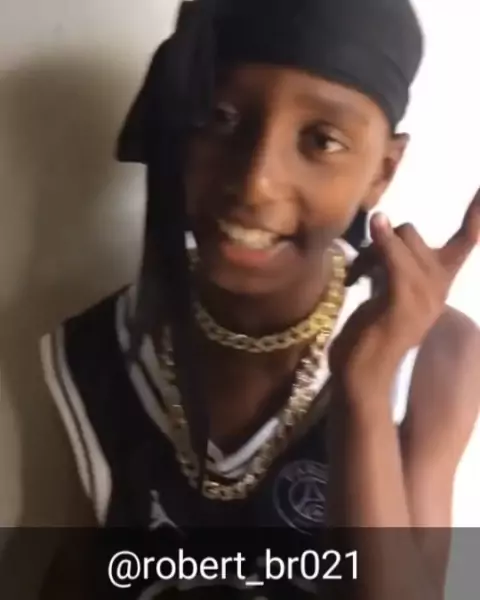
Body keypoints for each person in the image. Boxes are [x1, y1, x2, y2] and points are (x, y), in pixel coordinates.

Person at [39, 0, 480, 598]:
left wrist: (367, 389)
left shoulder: (436, 355)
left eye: (321, 140)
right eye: (220, 117)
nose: (255, 182)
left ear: (382, 171)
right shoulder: (99, 350)